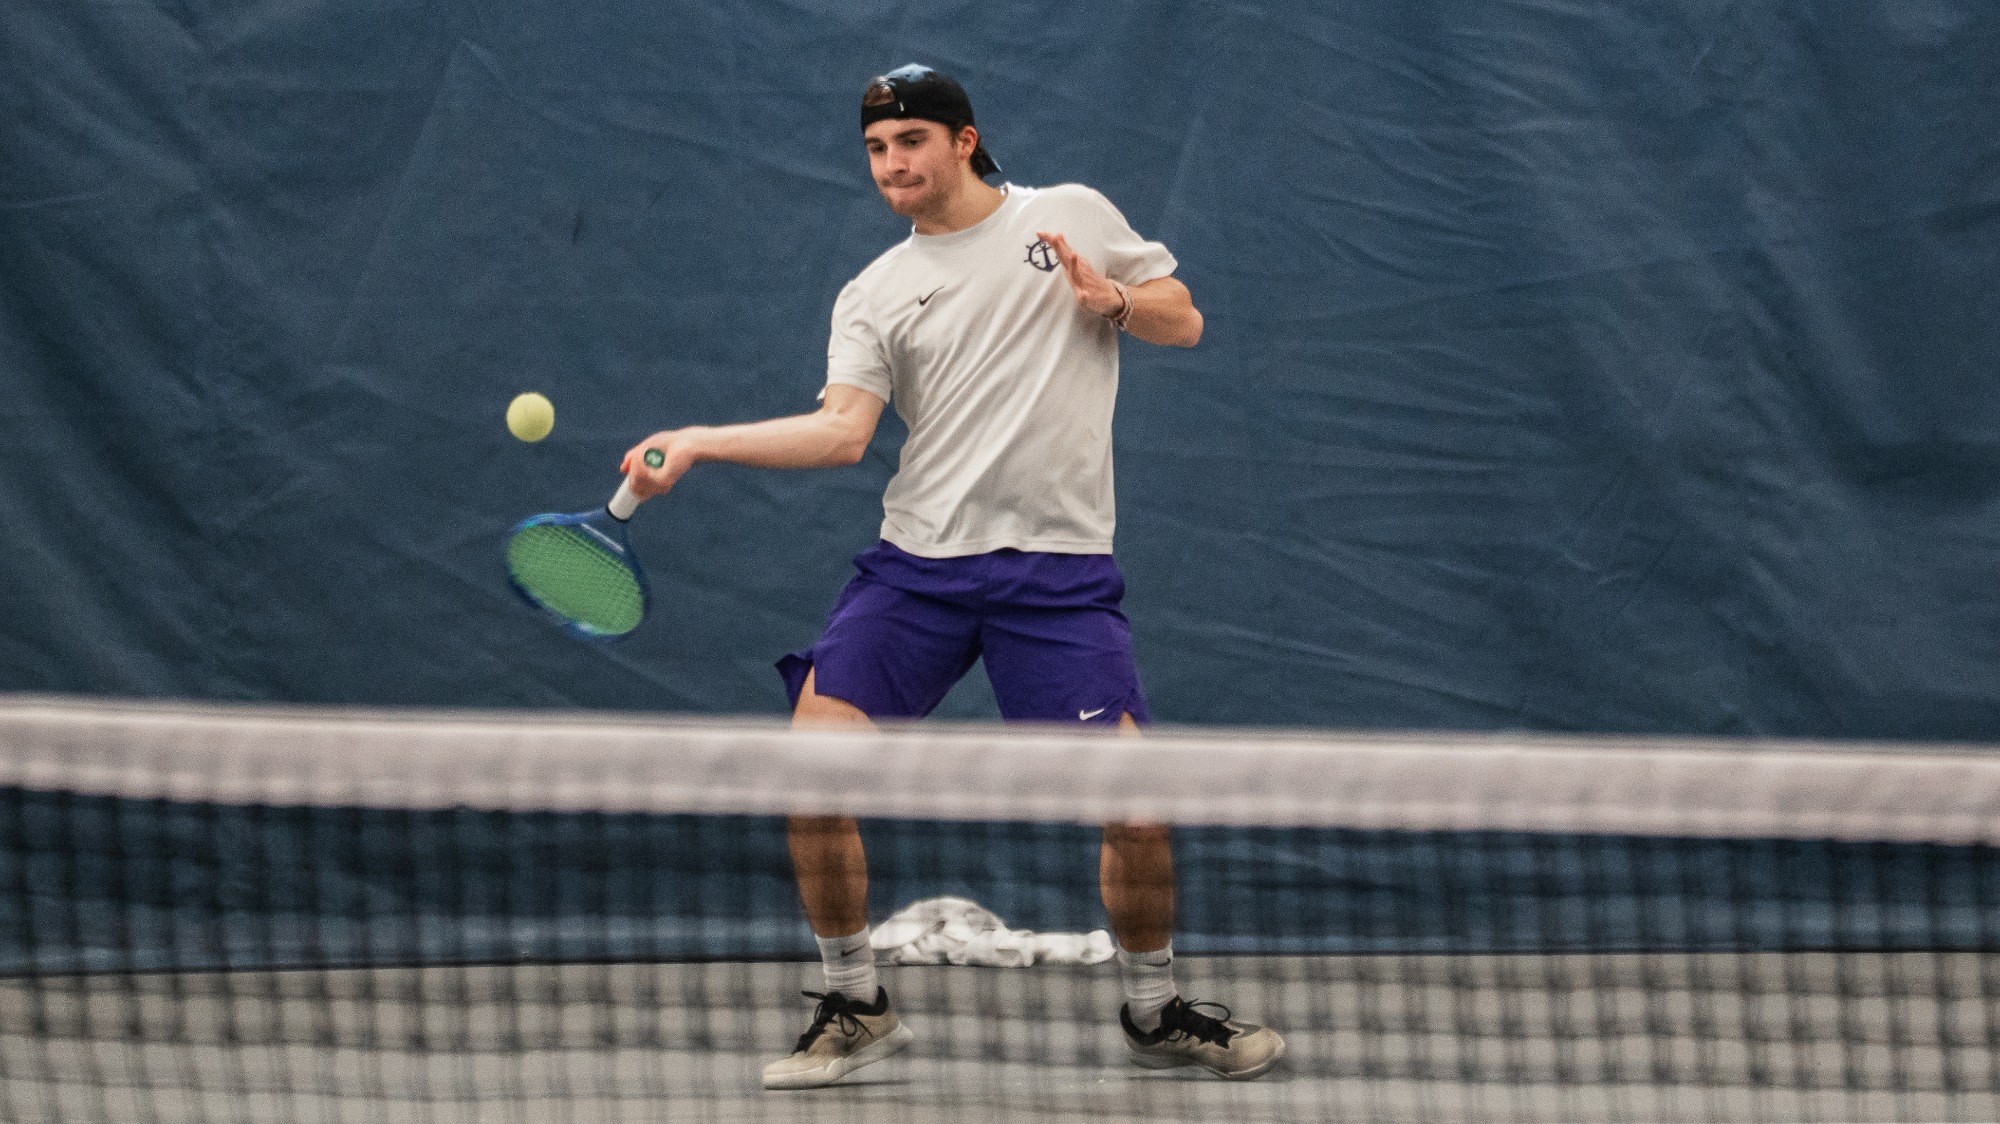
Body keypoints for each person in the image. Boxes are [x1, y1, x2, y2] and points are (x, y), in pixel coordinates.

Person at [620, 63, 1284, 1090]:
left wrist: (1109, 298)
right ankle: (853, 998)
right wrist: (703, 441)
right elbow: (843, 433)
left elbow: (1182, 316)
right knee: (809, 772)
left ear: (962, 141)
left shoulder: (1064, 214)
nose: (892, 164)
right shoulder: (874, 291)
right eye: (877, 149)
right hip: (917, 571)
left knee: (1137, 807)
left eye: (911, 142)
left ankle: (1153, 1009)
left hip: (1055, 577)